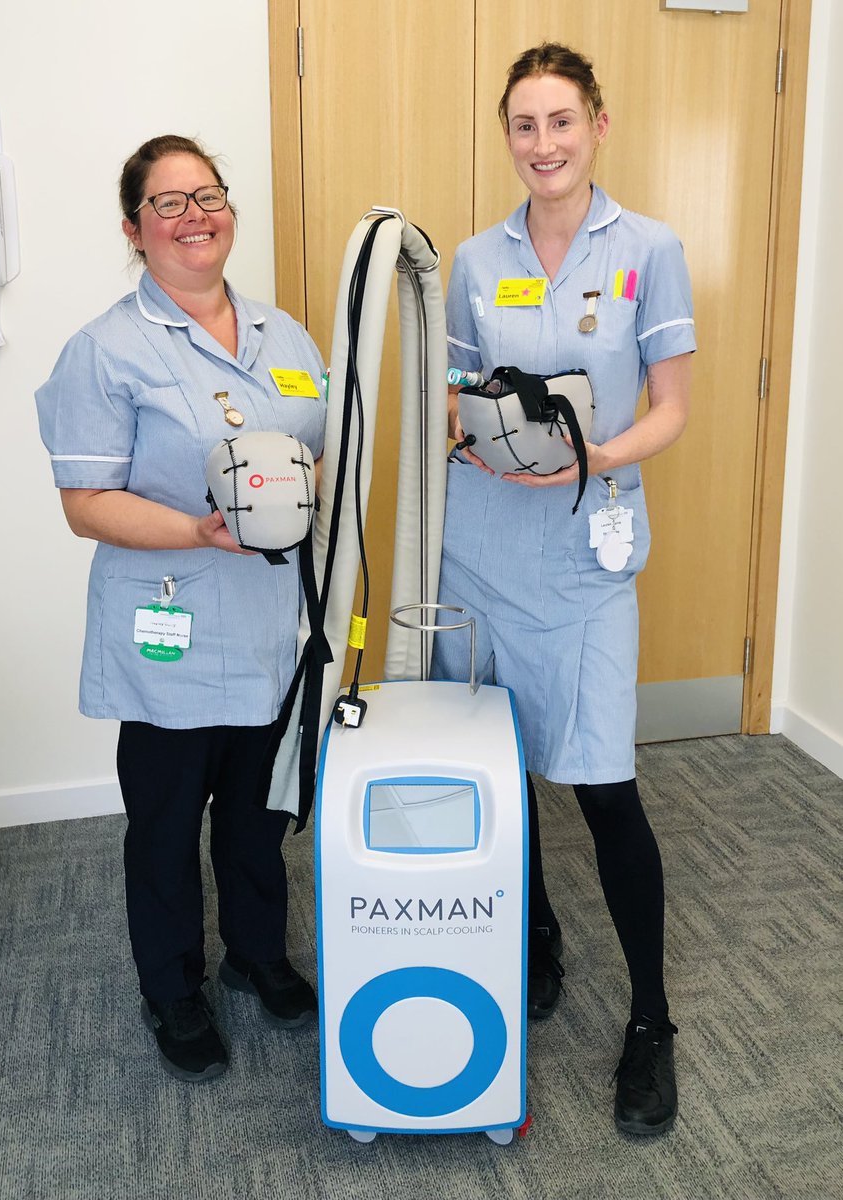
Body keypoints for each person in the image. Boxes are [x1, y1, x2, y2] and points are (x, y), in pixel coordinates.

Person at [432, 44, 695, 1135]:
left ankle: (650, 1023)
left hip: (583, 558)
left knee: (597, 783)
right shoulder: (472, 258)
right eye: (522, 126)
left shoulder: (646, 250)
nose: (541, 145)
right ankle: (534, 934)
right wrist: (478, 434)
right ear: (507, 137)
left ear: (596, 125)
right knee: (498, 767)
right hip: (483, 551)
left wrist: (584, 459)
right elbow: (451, 396)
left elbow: (669, 409)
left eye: (559, 122)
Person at [36, 135, 326, 1083]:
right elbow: (87, 504)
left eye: (208, 196)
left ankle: (255, 953)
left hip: (271, 625)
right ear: (134, 229)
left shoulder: (287, 338)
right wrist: (198, 533)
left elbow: (321, 457)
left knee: (255, 812)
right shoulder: (107, 349)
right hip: (171, 630)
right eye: (168, 203)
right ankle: (173, 987)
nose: (195, 217)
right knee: (164, 827)